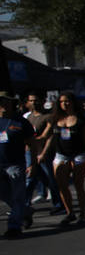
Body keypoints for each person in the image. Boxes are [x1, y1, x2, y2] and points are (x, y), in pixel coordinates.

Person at [37, 91, 85, 227]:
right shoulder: (54, 119)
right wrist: (34, 143)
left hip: (78, 154)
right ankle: (70, 212)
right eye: (62, 101)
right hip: (61, 155)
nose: (65, 104)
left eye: (67, 101)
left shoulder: (81, 119)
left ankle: (82, 214)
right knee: (62, 186)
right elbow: (46, 136)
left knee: (78, 185)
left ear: (73, 102)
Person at [22, 91, 64, 219]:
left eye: (36, 100)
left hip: (44, 153)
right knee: (30, 179)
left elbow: (48, 136)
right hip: (30, 153)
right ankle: (24, 205)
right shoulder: (28, 118)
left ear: (41, 101)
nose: (34, 103)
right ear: (27, 102)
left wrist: (43, 153)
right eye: (31, 100)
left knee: (51, 179)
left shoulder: (48, 116)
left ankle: (58, 204)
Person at [1, 91, 33, 238]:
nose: (3, 104)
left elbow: (31, 144)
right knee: (5, 194)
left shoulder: (21, 122)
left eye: (6, 101)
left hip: (15, 164)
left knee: (18, 196)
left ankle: (14, 226)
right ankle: (25, 211)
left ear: (11, 103)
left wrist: (32, 163)